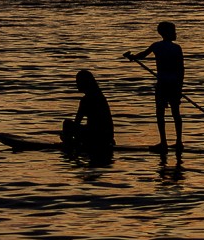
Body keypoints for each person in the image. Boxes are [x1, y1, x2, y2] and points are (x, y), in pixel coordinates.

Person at [125, 21, 185, 152]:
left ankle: (165, 142)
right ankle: (177, 142)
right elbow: (181, 70)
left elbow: (142, 55)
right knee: (175, 113)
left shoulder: (157, 46)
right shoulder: (176, 48)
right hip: (173, 84)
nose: (175, 33)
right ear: (166, 33)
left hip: (163, 84)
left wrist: (132, 57)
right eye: (173, 31)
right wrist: (180, 87)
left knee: (161, 113)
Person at [61, 69, 115, 153]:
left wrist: (66, 136)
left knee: (67, 124)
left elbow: (77, 122)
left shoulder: (86, 100)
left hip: (96, 137)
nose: (77, 85)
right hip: (107, 137)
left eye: (78, 82)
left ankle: (68, 146)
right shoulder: (100, 96)